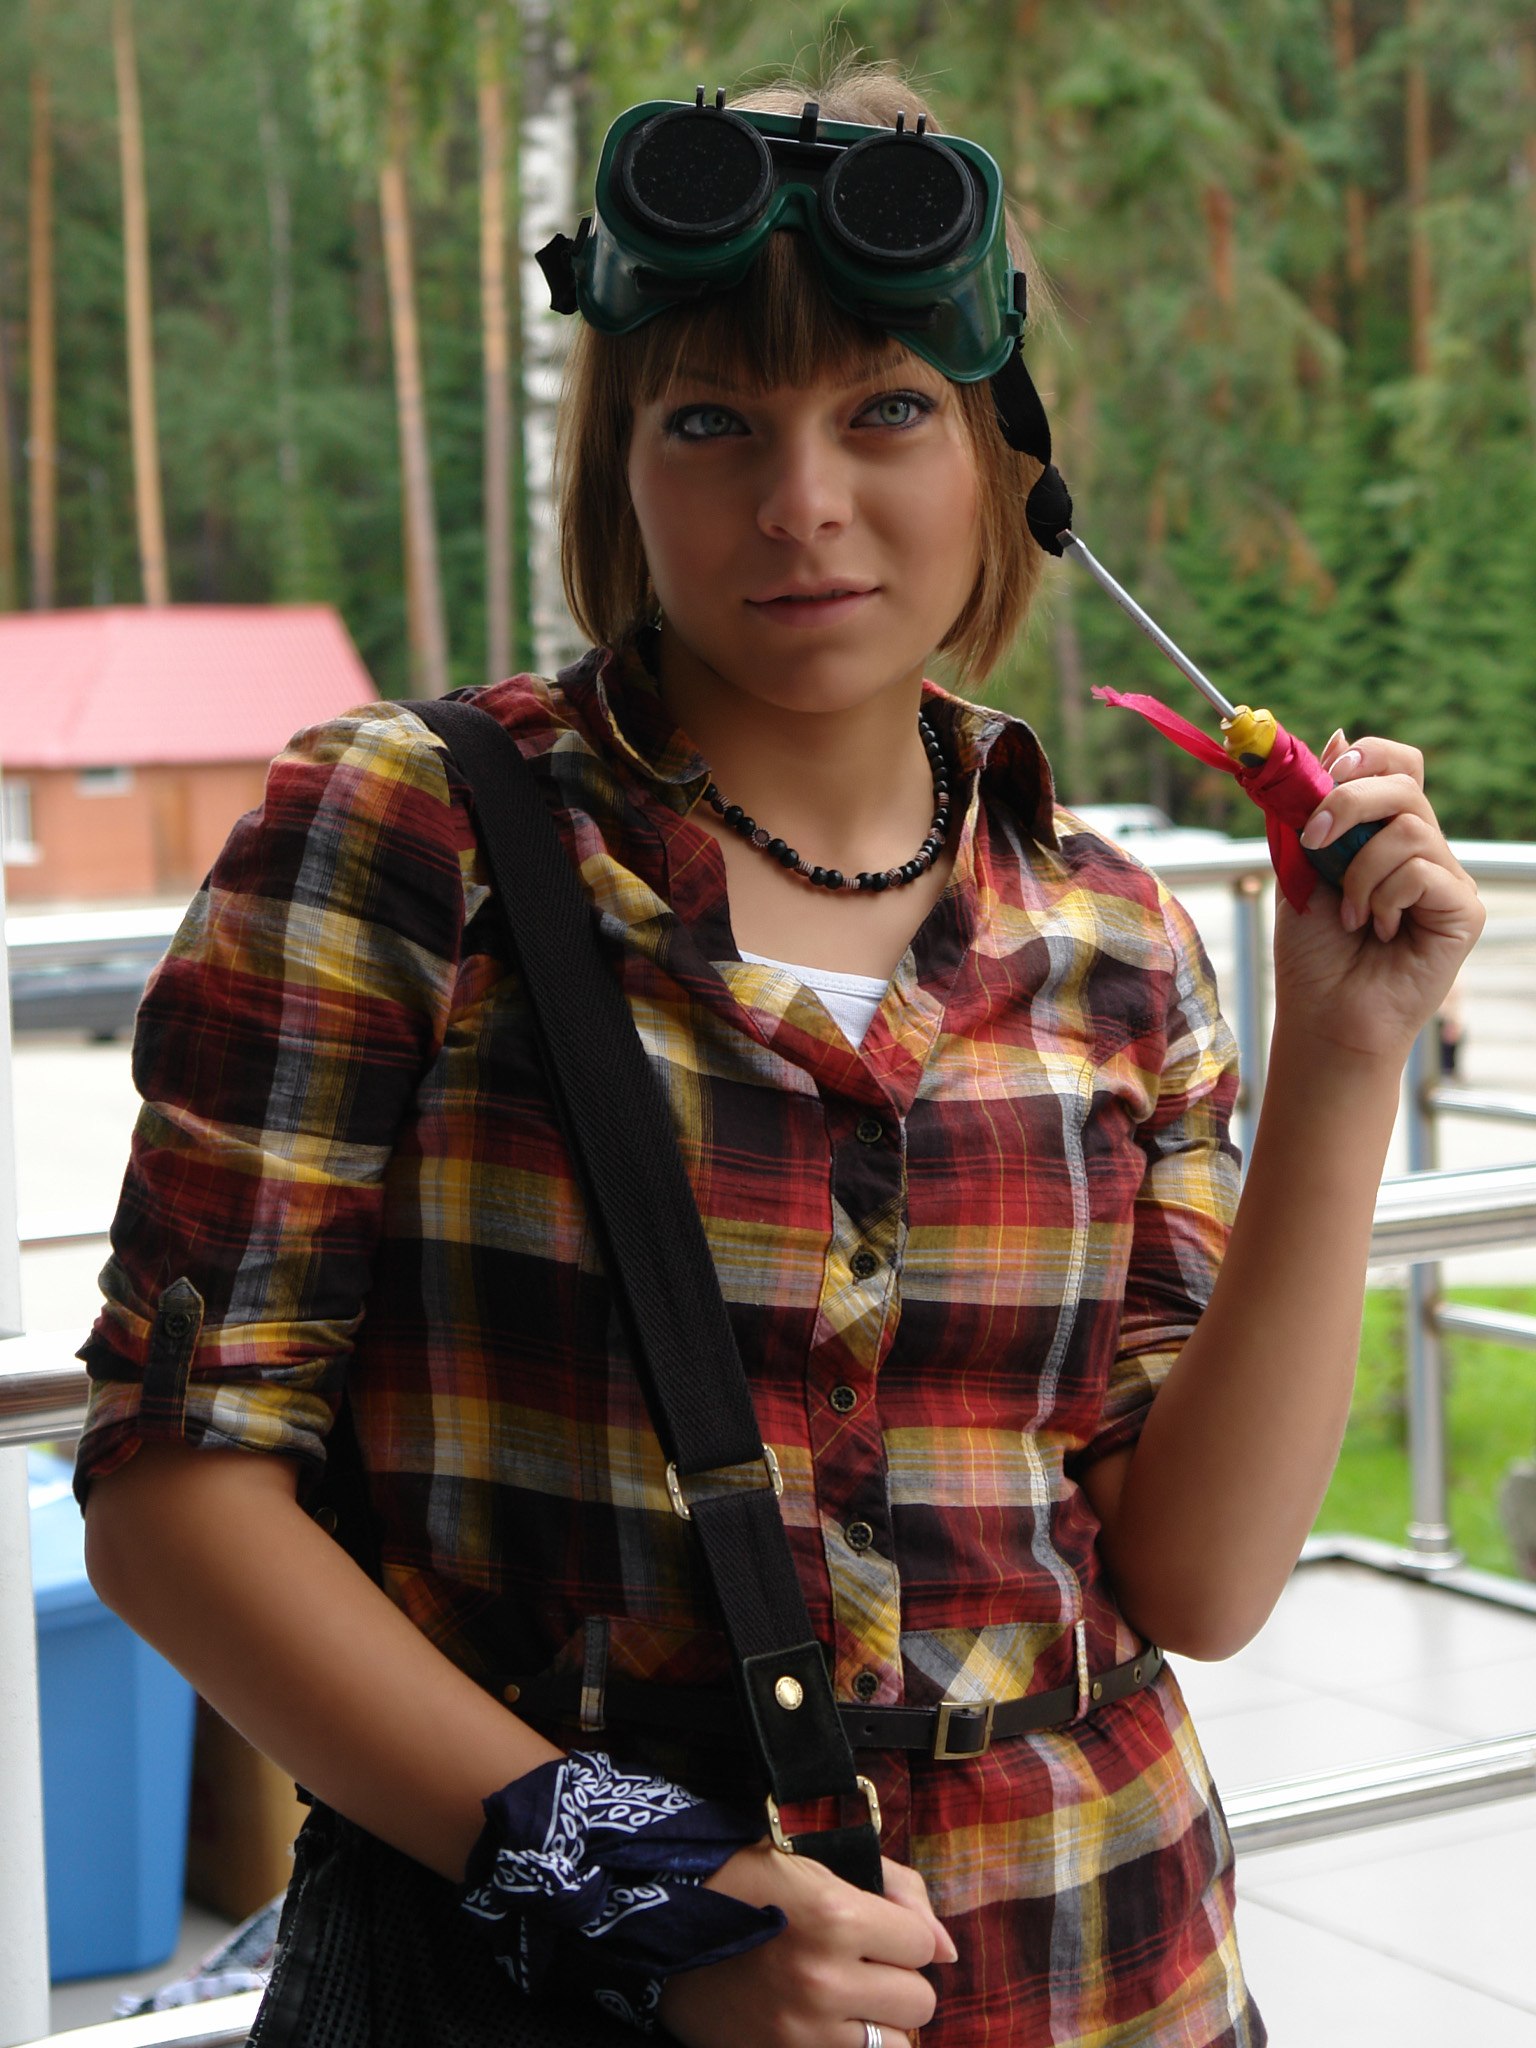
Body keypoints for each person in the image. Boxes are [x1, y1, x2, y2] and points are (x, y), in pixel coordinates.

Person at [76, 61, 1483, 2048]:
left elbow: (1203, 1577)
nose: (802, 502)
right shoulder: (407, 836)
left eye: (886, 410)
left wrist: (1344, 1053)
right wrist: (648, 1902)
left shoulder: (1114, 939)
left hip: (1112, 1969)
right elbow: (175, 1490)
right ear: (620, 466)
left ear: (1003, 459)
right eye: (712, 420)